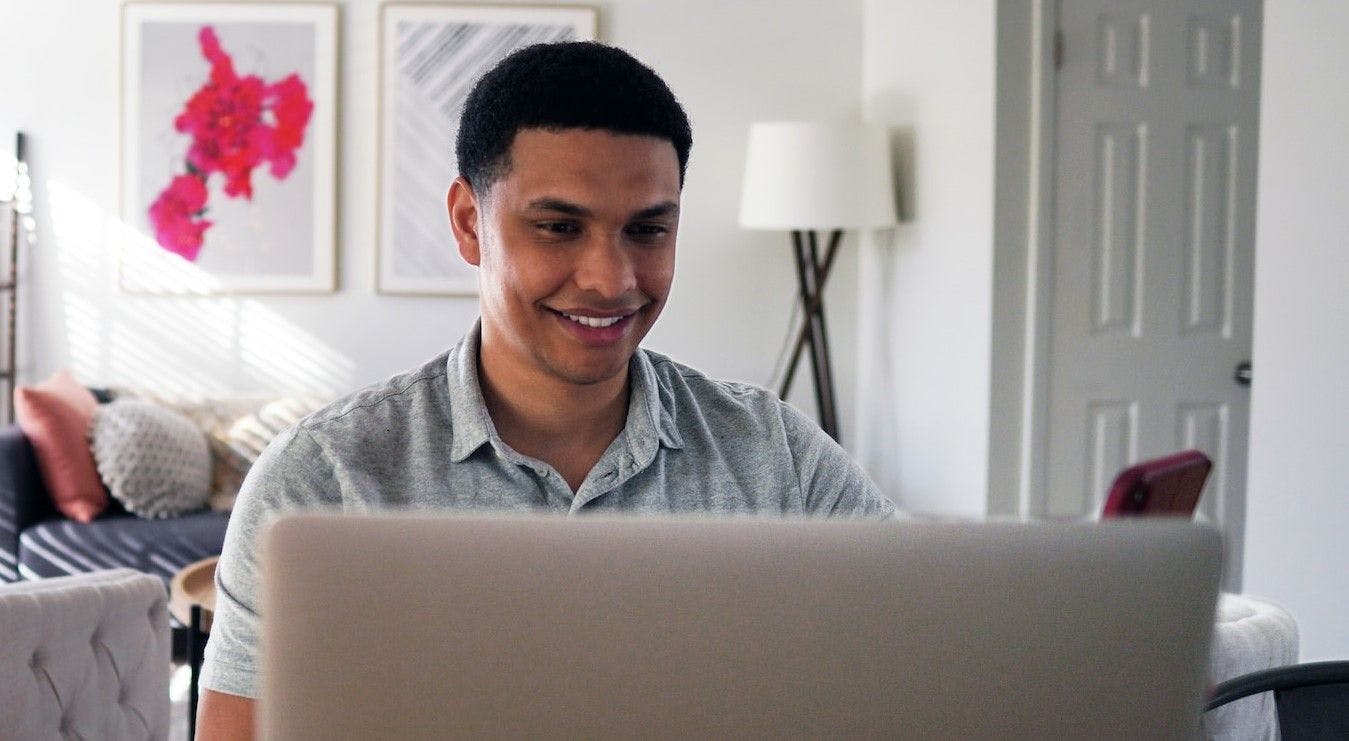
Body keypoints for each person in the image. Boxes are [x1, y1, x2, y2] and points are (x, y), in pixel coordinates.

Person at [196, 41, 896, 738]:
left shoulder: (775, 455)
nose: (610, 278)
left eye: (647, 230)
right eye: (560, 228)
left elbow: (919, 649)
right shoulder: (322, 478)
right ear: (470, 223)